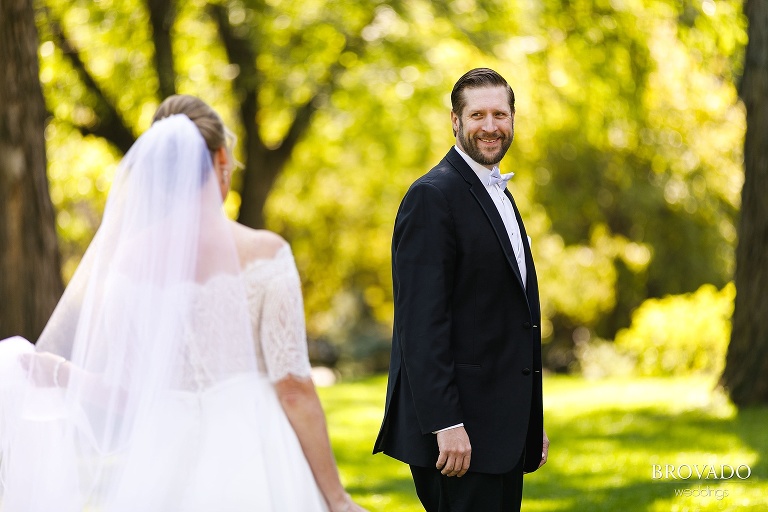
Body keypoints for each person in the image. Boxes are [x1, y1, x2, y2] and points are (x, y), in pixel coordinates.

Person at [0, 95, 366, 512]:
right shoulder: (265, 253)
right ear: (221, 158)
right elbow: (295, 389)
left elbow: (126, 393)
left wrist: (60, 371)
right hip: (255, 453)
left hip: (164, 458)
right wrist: (337, 499)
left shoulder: (129, 265)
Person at [373, 68, 550, 512]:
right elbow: (420, 325)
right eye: (477, 115)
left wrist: (530, 418)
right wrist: (445, 423)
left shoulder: (498, 192)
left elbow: (512, 316)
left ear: (513, 118)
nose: (490, 126)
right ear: (455, 121)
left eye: (500, 114)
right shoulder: (432, 196)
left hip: (501, 428)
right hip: (458, 437)